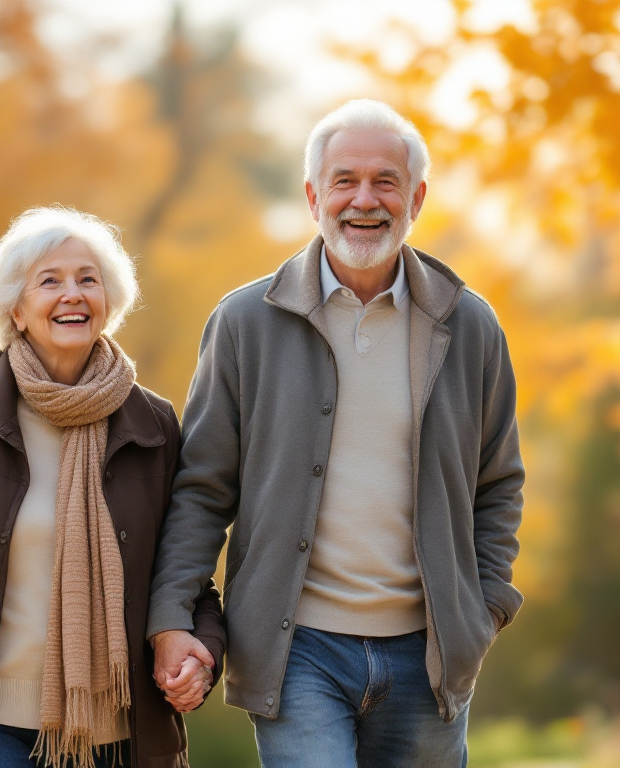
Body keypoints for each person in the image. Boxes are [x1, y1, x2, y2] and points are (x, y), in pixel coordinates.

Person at [147, 99, 525, 768]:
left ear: (417, 197)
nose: (365, 199)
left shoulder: (470, 326)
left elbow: (498, 484)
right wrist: (172, 618)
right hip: (298, 653)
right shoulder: (244, 323)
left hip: (429, 654)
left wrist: (484, 607)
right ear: (313, 194)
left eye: (386, 180)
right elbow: (201, 489)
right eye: (345, 179)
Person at [0, 207, 225, 768]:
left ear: (108, 302)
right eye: (49, 281)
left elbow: (186, 571)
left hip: (122, 730)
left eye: (87, 279)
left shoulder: (154, 424)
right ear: (16, 310)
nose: (71, 294)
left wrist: (205, 653)